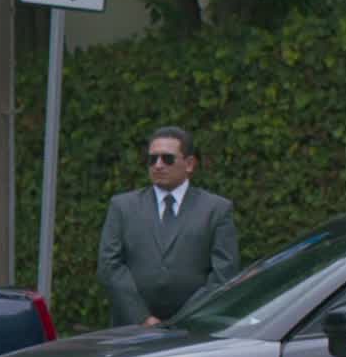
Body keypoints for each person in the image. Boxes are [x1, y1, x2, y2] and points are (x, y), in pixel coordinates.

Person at [95, 125, 239, 327]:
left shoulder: (216, 209)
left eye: (167, 159)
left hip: (194, 330)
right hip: (132, 328)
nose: (158, 165)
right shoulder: (123, 207)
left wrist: (184, 320)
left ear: (189, 164)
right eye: (152, 159)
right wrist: (142, 318)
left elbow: (224, 273)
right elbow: (109, 266)